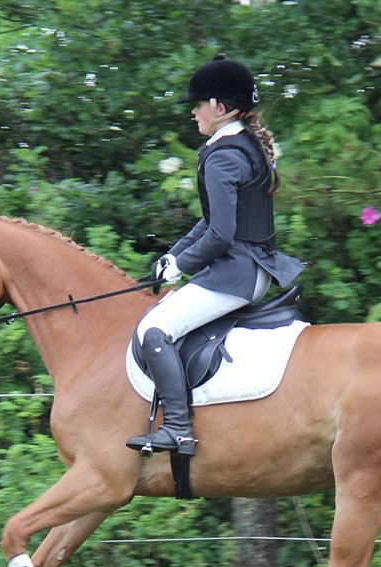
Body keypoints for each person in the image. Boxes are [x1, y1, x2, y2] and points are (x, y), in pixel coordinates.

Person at [126, 54, 304, 457]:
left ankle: (178, 429)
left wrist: (183, 266)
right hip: (253, 267)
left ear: (219, 108)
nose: (193, 112)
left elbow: (221, 235)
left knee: (154, 332)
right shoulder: (242, 146)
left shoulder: (223, 156)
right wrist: (172, 257)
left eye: (197, 104)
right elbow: (210, 223)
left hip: (237, 273)